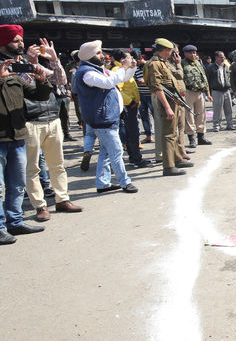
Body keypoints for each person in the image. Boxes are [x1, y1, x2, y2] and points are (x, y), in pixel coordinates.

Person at [20, 38, 83, 221]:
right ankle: (40, 206)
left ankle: (62, 199)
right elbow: (28, 86)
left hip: (51, 119)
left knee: (57, 164)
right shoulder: (12, 66)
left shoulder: (42, 65)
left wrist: (54, 59)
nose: (21, 45)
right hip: (30, 121)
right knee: (32, 168)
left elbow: (60, 80)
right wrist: (31, 64)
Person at [0, 40, 53, 241]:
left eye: (21, 40)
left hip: (17, 134)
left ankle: (14, 223)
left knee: (17, 184)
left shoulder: (15, 69)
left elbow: (37, 95)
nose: (20, 43)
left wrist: (41, 80)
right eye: (15, 40)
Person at [73, 40, 139, 193]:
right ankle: (125, 182)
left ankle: (103, 183)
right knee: (116, 151)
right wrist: (123, 66)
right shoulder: (87, 73)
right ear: (90, 56)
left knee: (106, 152)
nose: (102, 55)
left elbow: (120, 78)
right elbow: (109, 83)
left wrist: (130, 68)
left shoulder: (98, 69)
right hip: (102, 119)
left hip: (108, 117)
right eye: (98, 53)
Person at [144, 39, 193, 176]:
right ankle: (168, 166)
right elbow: (157, 87)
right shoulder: (155, 64)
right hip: (165, 101)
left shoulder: (162, 63)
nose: (172, 53)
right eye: (171, 50)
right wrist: (167, 107)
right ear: (166, 50)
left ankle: (177, 159)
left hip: (172, 100)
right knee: (168, 135)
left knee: (173, 133)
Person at [112, 50, 151, 169]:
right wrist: (131, 102)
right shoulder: (117, 71)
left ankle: (134, 157)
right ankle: (136, 159)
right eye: (129, 57)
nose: (132, 59)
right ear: (123, 59)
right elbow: (118, 90)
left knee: (131, 133)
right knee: (132, 133)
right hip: (128, 107)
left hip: (131, 106)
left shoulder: (125, 70)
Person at [181, 44, 212, 147]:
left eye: (194, 52)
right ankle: (191, 139)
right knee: (189, 116)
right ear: (185, 54)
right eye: (190, 53)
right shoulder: (181, 64)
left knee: (201, 115)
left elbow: (204, 78)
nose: (193, 55)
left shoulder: (198, 64)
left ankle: (201, 137)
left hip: (200, 93)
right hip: (188, 92)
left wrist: (208, 93)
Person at [206, 50, 234, 131]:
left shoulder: (226, 66)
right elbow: (208, 79)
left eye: (224, 57)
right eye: (221, 57)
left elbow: (229, 76)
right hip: (216, 91)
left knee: (229, 109)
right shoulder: (210, 67)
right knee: (217, 109)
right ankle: (216, 126)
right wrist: (208, 93)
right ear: (216, 58)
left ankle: (230, 124)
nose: (223, 58)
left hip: (226, 90)